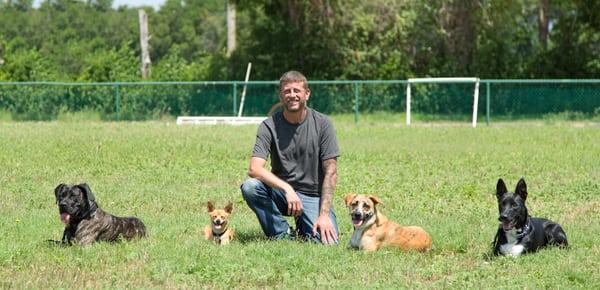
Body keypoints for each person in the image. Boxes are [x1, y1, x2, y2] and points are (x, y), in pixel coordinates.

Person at [240, 70, 340, 245]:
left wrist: (323, 215)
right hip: (282, 194)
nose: (292, 95)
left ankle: (304, 222)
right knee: (251, 187)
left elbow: (331, 172)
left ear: (306, 94)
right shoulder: (269, 126)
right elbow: (254, 169)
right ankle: (282, 233)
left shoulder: (323, 124)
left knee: (328, 243)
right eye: (287, 91)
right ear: (280, 96)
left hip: (312, 195)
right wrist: (287, 189)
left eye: (296, 91)